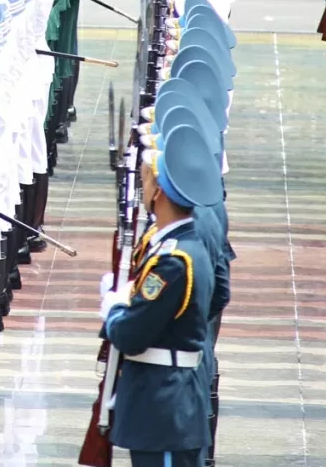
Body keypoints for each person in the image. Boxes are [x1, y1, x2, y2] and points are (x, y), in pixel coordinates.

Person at [101, 123, 220, 467]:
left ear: (159, 193)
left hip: (163, 406)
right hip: (166, 401)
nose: (143, 183)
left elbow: (130, 335)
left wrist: (114, 310)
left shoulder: (174, 262)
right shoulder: (180, 246)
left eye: (148, 178)